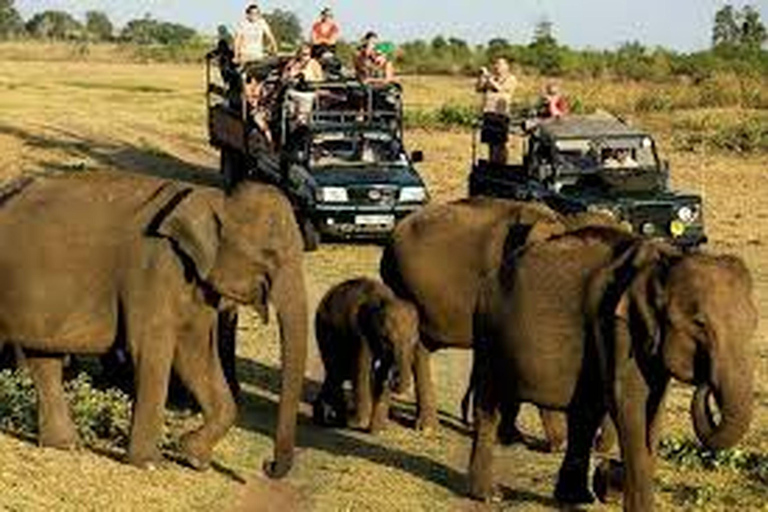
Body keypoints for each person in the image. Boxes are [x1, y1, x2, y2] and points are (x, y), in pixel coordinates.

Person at [476, 57, 517, 165]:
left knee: (500, 143)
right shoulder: (492, 78)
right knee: (490, 142)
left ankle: (502, 165)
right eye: (495, 64)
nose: (496, 67)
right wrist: (481, 77)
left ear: (506, 67)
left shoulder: (511, 79)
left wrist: (488, 77)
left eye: (499, 64)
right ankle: (492, 165)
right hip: (488, 113)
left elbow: (499, 88)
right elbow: (479, 88)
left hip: (501, 114)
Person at [243, 67, 273, 148]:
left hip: (263, 109)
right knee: (264, 127)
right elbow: (252, 103)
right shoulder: (248, 87)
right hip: (254, 111)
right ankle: (269, 142)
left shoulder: (262, 86)